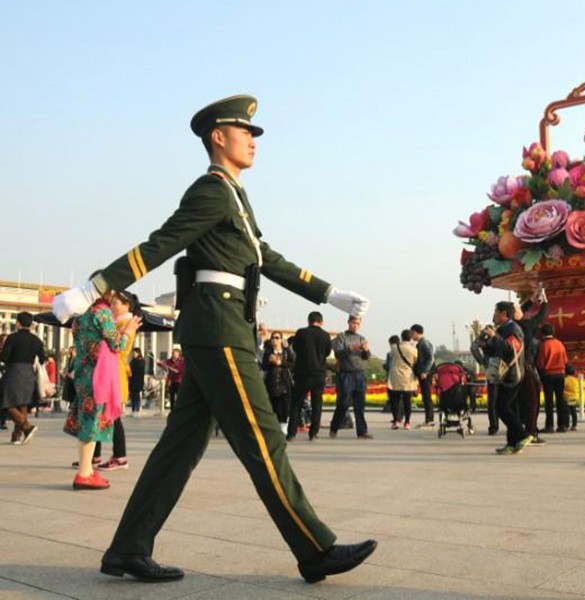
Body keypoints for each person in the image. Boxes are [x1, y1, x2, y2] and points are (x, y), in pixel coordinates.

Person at [51, 94, 375, 583]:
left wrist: (328, 293)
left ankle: (128, 548)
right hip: (220, 331)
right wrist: (93, 288)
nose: (253, 140)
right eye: (245, 132)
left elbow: (266, 257)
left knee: (178, 449)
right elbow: (160, 243)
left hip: (218, 330)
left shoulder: (235, 196)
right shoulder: (212, 190)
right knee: (262, 437)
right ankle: (314, 548)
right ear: (218, 137)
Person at [65, 292, 141, 489]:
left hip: (82, 374)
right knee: (92, 426)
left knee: (86, 423)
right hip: (98, 376)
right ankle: (84, 474)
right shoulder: (103, 313)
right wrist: (130, 330)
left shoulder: (80, 315)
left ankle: (88, 470)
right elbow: (118, 344)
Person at [94, 290, 142, 471]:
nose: (112, 306)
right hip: (111, 370)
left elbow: (119, 348)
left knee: (113, 415)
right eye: (111, 303)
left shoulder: (126, 323)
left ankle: (119, 456)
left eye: (116, 303)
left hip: (114, 371)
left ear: (127, 305)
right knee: (103, 413)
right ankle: (96, 455)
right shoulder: (118, 322)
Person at [482, 301, 530, 455]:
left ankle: (523, 435)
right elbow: (496, 350)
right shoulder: (503, 329)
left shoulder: (513, 329)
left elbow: (510, 349)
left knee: (501, 407)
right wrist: (484, 342)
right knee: (511, 408)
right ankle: (512, 443)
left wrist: (494, 336)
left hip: (512, 374)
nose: (493, 315)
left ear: (504, 314)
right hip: (506, 374)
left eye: (496, 312)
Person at [0, 312, 45, 445]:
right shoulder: (37, 340)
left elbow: (4, 357)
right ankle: (16, 436)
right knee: (22, 403)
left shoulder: (12, 338)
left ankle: (27, 426)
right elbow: (42, 359)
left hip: (14, 372)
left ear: (18, 323)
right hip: (29, 373)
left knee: (5, 401)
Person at [289, 311, 332, 441]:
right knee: (317, 404)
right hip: (319, 374)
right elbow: (327, 352)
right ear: (321, 322)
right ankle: (313, 433)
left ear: (308, 321)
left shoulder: (301, 333)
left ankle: (291, 433)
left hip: (303, 374)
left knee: (296, 404)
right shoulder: (325, 335)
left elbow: (295, 348)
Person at [330, 316, 372, 439]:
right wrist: (350, 349)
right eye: (353, 323)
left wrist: (365, 350)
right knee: (344, 403)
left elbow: (366, 357)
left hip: (360, 374)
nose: (355, 325)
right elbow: (338, 354)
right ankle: (334, 427)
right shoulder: (341, 337)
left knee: (360, 405)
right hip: (346, 374)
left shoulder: (361, 338)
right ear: (348, 323)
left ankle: (362, 432)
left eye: (357, 324)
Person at [515, 293, 549, 445]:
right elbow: (541, 316)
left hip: (515, 370)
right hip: (526, 368)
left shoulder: (510, 326)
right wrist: (544, 302)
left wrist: (531, 300)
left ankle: (522, 430)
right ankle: (531, 431)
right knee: (532, 400)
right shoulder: (525, 325)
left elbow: (518, 311)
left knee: (519, 401)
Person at [535, 323, 569, 433]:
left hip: (548, 375)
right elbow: (565, 360)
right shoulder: (559, 344)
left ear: (542, 333)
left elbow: (540, 362)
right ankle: (562, 425)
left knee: (549, 401)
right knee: (560, 400)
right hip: (560, 374)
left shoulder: (544, 345)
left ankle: (549, 426)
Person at [262, 331, 295, 436]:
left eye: (277, 338)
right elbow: (263, 366)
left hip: (284, 382)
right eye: (273, 338)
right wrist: (270, 361)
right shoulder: (268, 352)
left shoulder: (286, 351)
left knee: (285, 404)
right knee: (274, 405)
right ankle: (275, 426)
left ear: (281, 339)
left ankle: (284, 425)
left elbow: (293, 364)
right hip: (272, 382)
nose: (274, 340)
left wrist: (281, 363)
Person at [470, 324, 499, 435]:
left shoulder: (485, 340)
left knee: (492, 399)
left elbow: (473, 347)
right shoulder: (501, 335)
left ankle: (493, 426)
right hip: (505, 369)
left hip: (491, 368)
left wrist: (482, 362)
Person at [387, 329, 418, 430]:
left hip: (395, 376)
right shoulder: (413, 349)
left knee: (394, 401)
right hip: (407, 376)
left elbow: (391, 356)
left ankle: (396, 421)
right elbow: (415, 361)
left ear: (401, 337)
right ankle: (407, 422)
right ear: (410, 338)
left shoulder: (394, 347)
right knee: (407, 401)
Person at [410, 324, 435, 428]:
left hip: (426, 374)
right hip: (422, 373)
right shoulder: (420, 343)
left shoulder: (424, 343)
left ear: (416, 332)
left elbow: (430, 358)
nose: (411, 335)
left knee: (427, 396)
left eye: (412, 333)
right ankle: (428, 419)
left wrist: (425, 371)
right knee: (425, 397)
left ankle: (430, 420)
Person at [128, 348, 145, 416]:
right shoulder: (133, 360)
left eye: (134, 353)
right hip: (132, 380)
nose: (133, 354)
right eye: (133, 353)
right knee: (132, 395)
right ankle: (133, 409)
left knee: (137, 395)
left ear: (138, 353)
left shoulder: (141, 361)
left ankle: (137, 409)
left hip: (138, 380)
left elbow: (138, 369)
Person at [563, 363, 579, 431]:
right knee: (574, 412)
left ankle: (566, 425)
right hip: (574, 398)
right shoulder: (575, 380)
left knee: (567, 413)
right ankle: (574, 425)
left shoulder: (565, 380)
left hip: (567, 398)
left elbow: (563, 387)